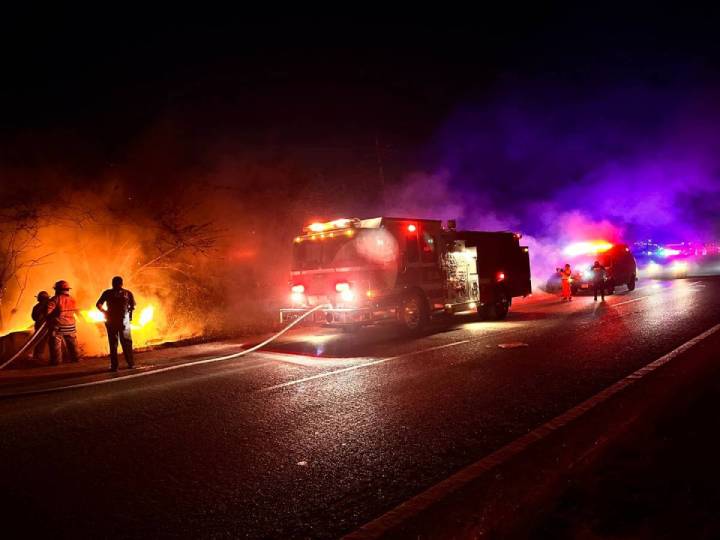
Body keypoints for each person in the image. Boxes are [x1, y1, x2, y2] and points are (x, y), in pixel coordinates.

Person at [96, 276, 136, 372]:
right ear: (122, 283)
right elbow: (133, 306)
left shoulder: (108, 293)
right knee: (126, 343)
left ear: (112, 283)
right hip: (123, 321)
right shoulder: (127, 293)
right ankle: (130, 364)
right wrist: (129, 314)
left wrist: (104, 312)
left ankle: (115, 366)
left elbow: (98, 304)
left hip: (112, 320)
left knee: (113, 343)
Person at [46, 280, 80, 365]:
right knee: (72, 344)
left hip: (58, 326)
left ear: (57, 289)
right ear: (67, 289)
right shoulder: (72, 299)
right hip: (71, 326)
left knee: (55, 344)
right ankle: (76, 359)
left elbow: (47, 312)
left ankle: (56, 362)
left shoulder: (55, 299)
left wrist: (51, 317)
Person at [31, 290, 50, 361]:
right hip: (47, 326)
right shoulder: (50, 304)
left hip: (40, 326)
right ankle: (39, 356)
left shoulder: (36, 307)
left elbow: (33, 317)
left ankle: (37, 356)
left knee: (39, 341)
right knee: (49, 341)